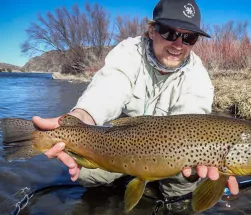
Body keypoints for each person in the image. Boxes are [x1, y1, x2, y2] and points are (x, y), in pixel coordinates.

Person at [33, 0, 239, 202]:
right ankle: (117, 188)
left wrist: (218, 162)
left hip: (171, 155)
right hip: (123, 146)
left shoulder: (198, 75)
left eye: (189, 38)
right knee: (85, 172)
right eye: (169, 33)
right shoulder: (129, 52)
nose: (178, 44)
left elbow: (194, 128)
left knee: (188, 173)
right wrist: (79, 117)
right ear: (152, 31)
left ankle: (174, 199)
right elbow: (108, 90)